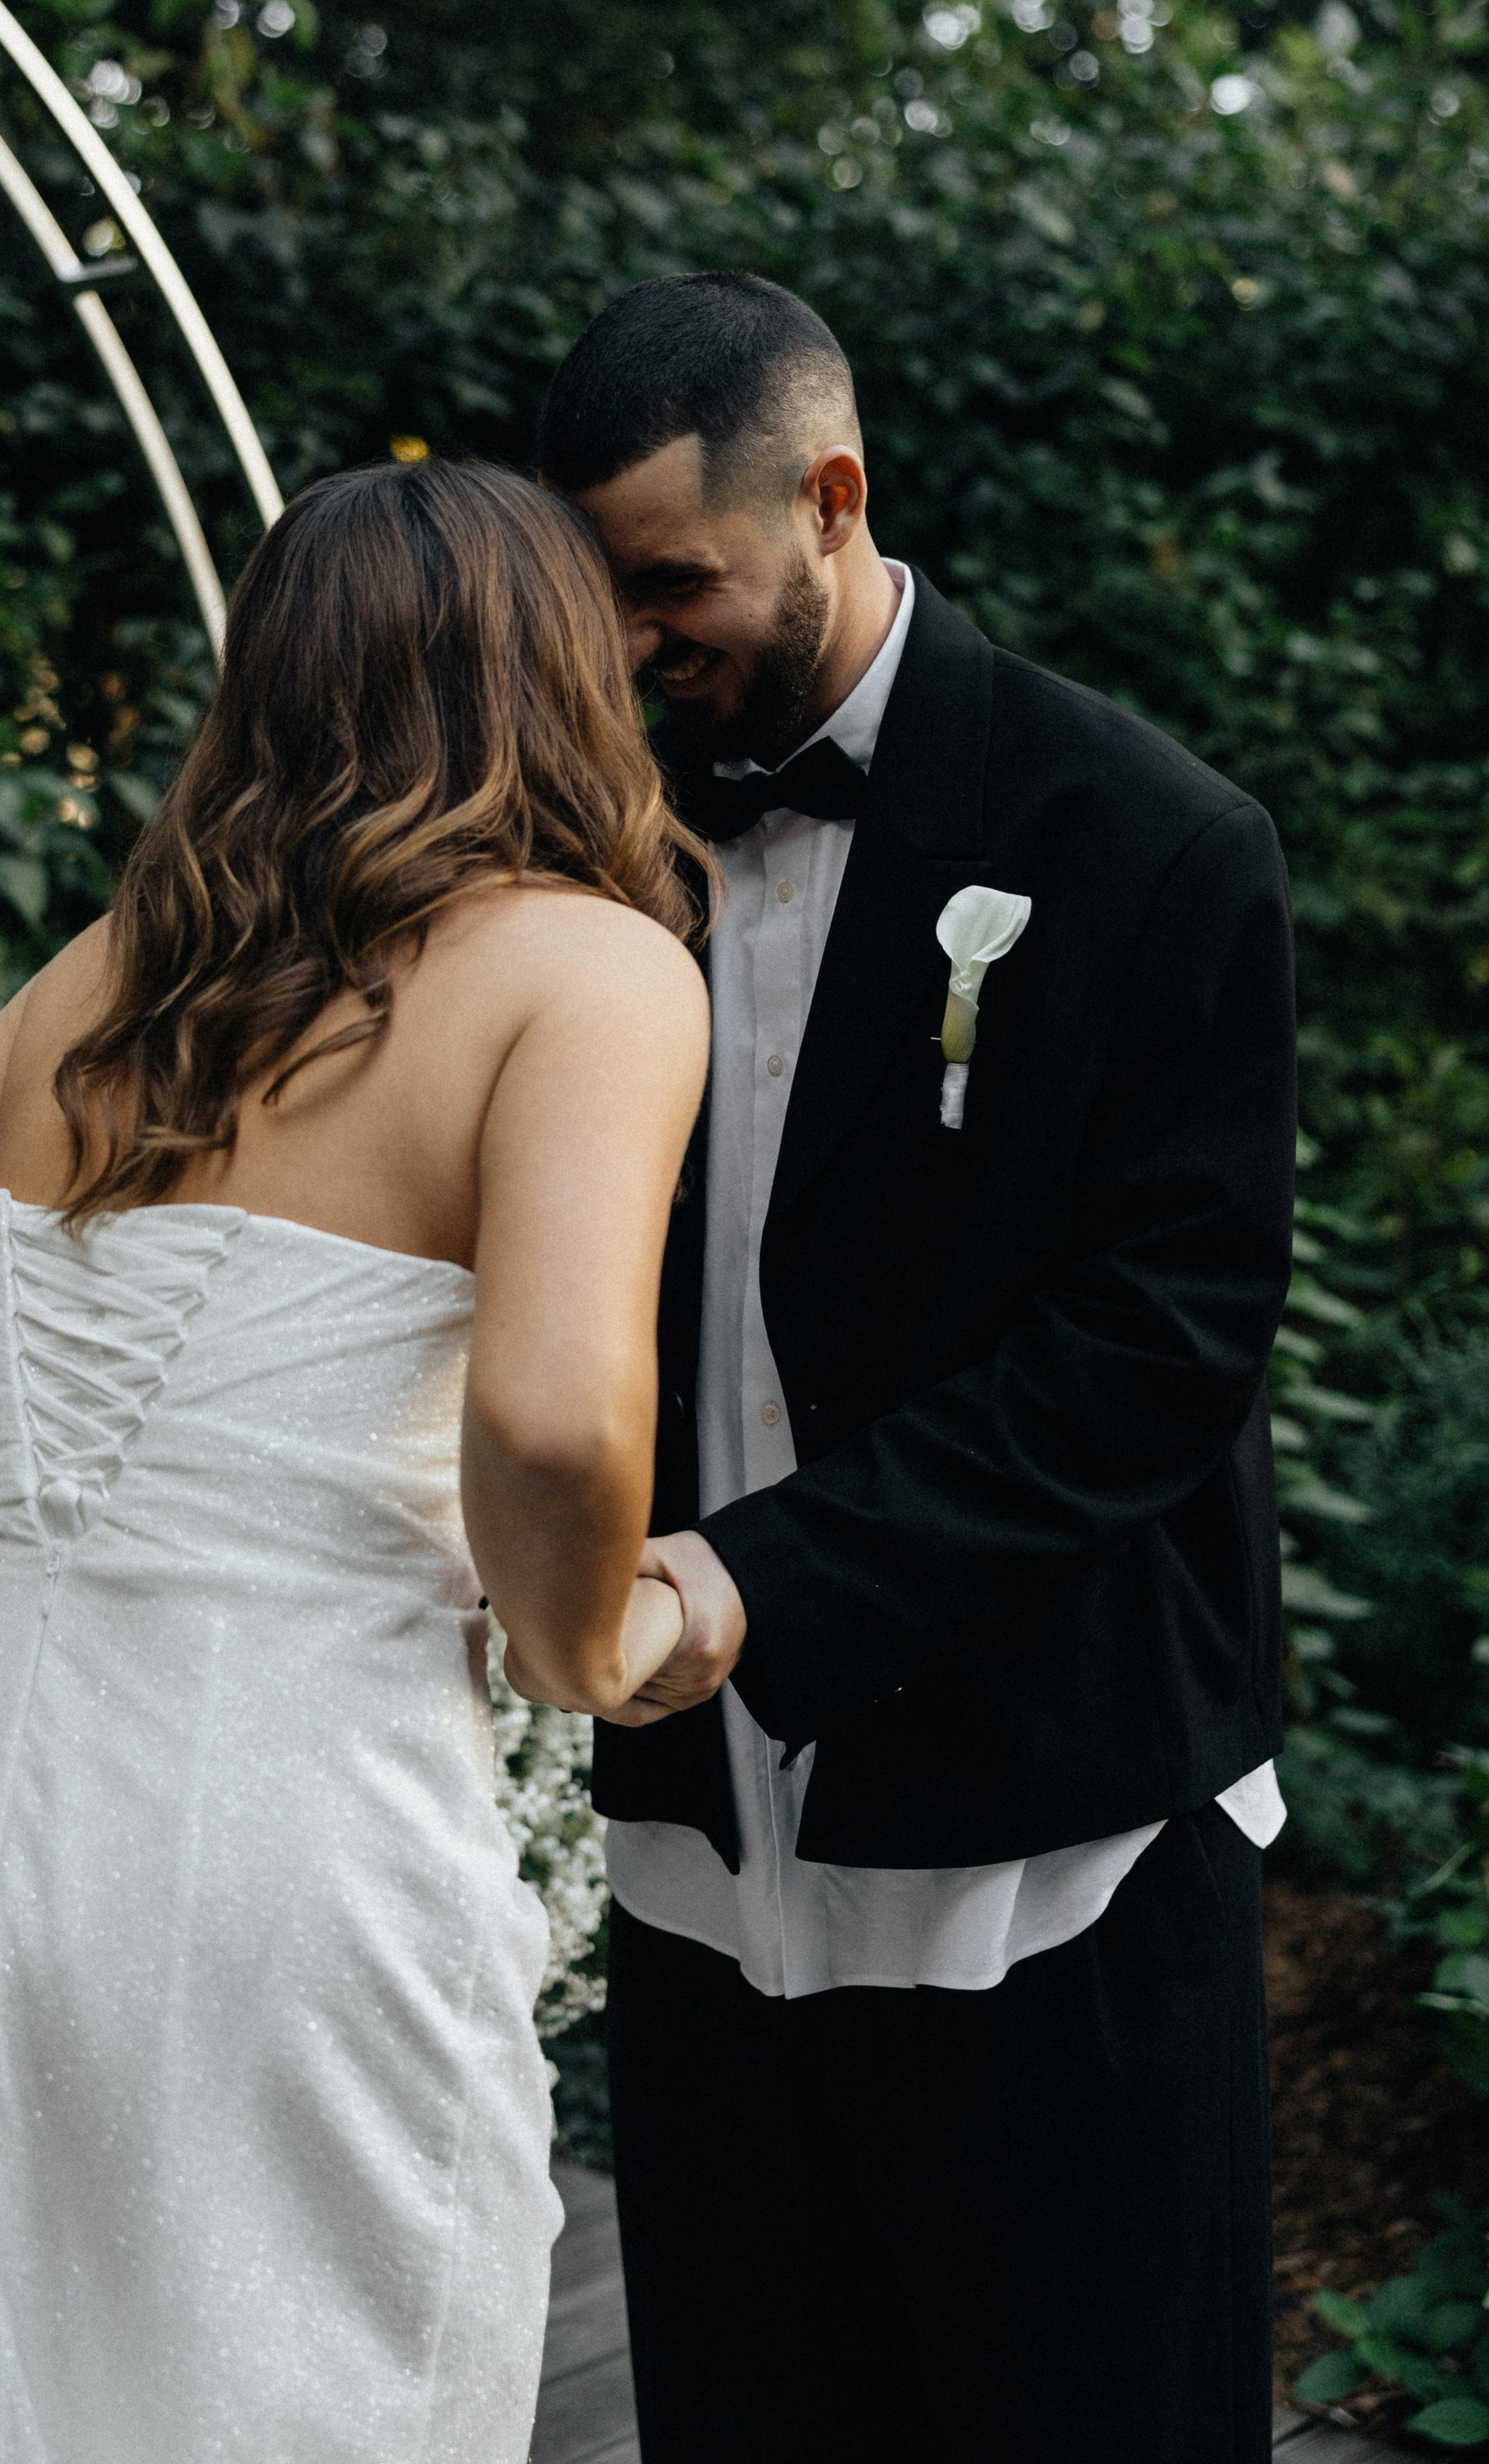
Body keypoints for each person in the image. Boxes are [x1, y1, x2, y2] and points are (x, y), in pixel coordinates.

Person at [0, 459, 710, 2464]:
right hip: (286, 1805)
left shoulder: (117, 969)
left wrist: (88, 1516)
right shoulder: (588, 969)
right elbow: (552, 1416)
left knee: (13, 2378)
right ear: (550, 674)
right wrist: (580, 1648)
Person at [533, 271, 1297, 2464]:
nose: (626, 645)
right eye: (592, 594)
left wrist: (756, 1585)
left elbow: (1154, 1354)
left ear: (836, 495)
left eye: (668, 580)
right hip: (702, 1875)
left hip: (1045, 1859)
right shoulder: (580, 850)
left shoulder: (1152, 845)